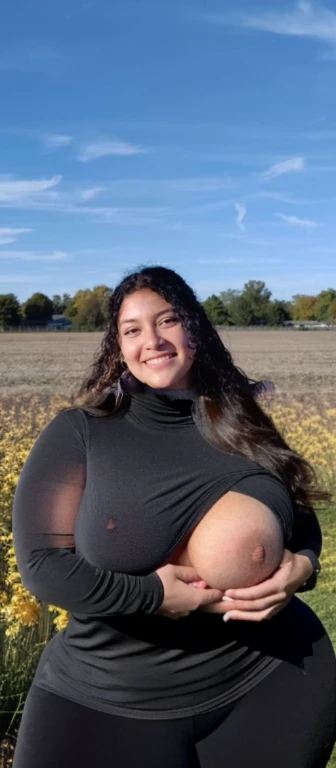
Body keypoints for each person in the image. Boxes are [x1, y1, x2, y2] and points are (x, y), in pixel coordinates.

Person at [12, 266, 336, 768]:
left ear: (195, 329)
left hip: (271, 680)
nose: (153, 340)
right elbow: (42, 565)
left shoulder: (240, 417)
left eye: (168, 321)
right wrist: (155, 595)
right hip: (105, 699)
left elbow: (296, 512)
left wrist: (305, 563)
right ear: (118, 346)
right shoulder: (82, 432)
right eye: (133, 329)